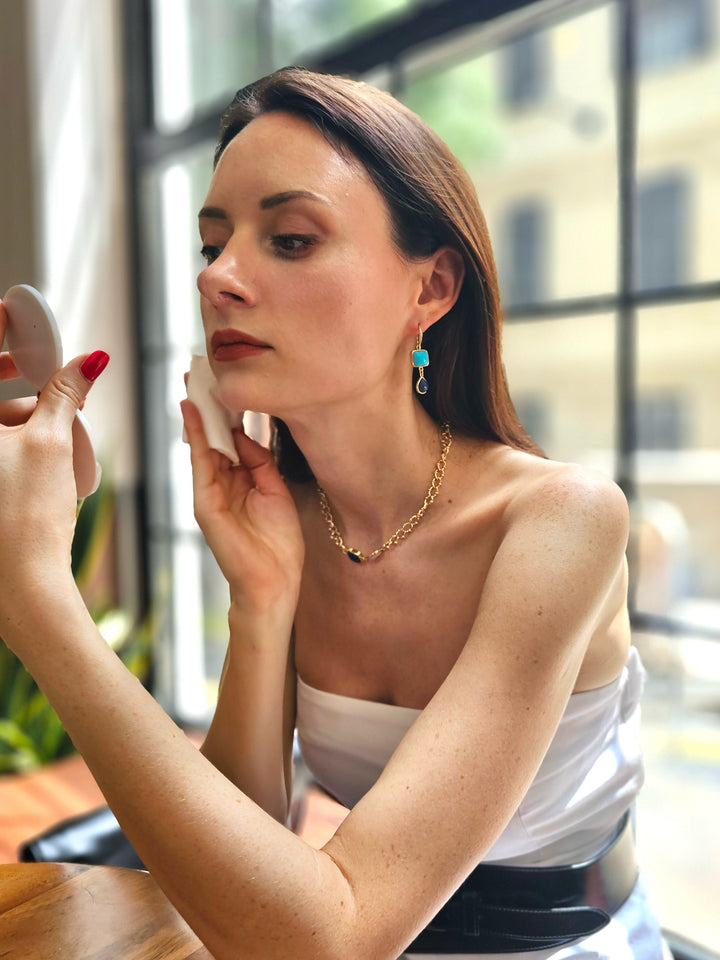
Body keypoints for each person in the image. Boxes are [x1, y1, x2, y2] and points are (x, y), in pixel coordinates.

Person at [0, 67, 670, 959]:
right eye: (211, 246)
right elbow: (235, 853)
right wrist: (261, 598)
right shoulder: (285, 522)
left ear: (429, 290)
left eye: (290, 238)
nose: (219, 280)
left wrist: (38, 598)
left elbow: (337, 939)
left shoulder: (564, 521)